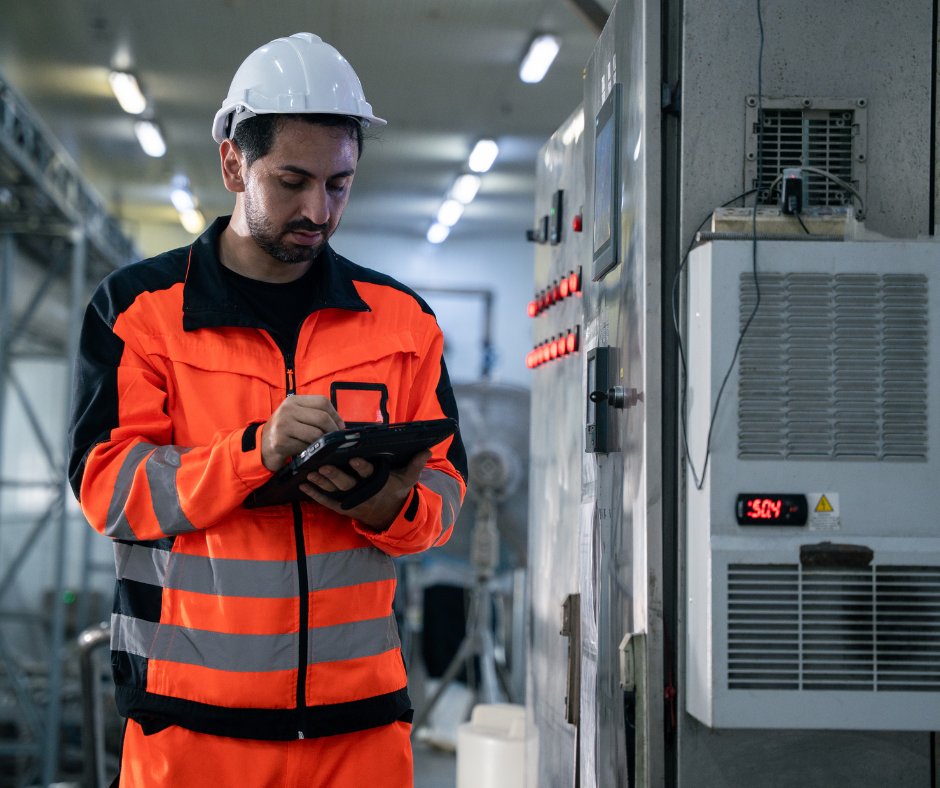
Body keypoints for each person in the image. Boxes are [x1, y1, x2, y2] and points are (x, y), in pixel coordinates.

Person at [67, 32, 466, 788]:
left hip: (362, 735)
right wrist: (254, 453)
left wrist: (391, 507)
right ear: (233, 165)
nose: (318, 209)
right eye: (291, 181)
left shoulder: (402, 324)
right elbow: (107, 488)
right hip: (193, 735)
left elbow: (446, 491)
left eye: (339, 184)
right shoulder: (142, 313)